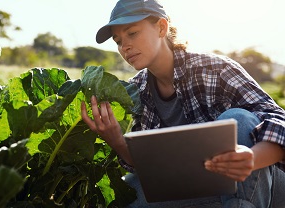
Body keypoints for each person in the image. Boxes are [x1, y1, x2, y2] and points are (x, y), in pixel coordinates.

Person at [80, 0, 285, 207]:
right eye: (118, 41)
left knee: (239, 120)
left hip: (263, 185)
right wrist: (116, 140)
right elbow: (149, 169)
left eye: (132, 33)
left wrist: (252, 158)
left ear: (161, 27)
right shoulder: (136, 91)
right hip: (200, 188)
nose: (125, 46)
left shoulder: (216, 69)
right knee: (128, 194)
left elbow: (279, 121)